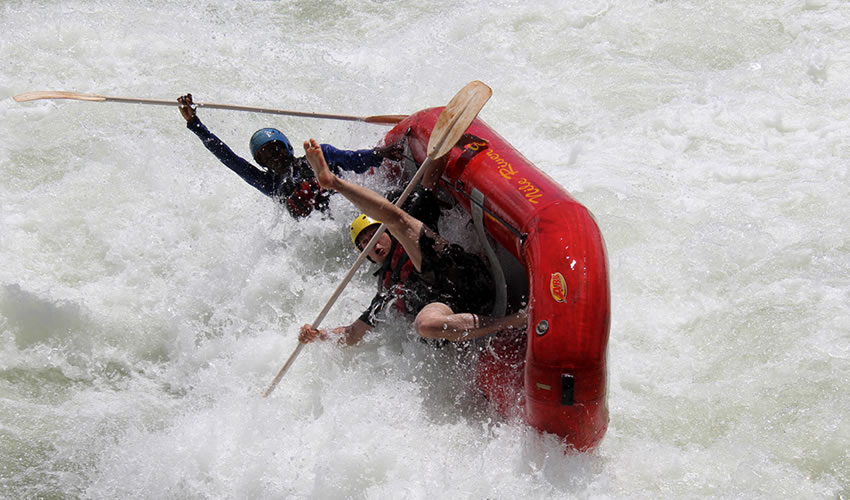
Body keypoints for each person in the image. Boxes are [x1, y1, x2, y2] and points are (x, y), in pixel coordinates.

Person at [298, 138, 528, 346]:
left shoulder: (410, 218)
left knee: (401, 221)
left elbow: (429, 180)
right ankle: (512, 322)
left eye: (374, 235)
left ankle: (334, 183)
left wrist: (447, 139)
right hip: (451, 305)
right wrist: (318, 336)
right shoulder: (386, 290)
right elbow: (353, 333)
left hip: (466, 277)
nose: (373, 244)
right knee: (425, 325)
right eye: (365, 244)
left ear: (384, 233)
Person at [177, 93, 403, 218]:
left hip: (352, 213)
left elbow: (353, 160)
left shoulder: (318, 155)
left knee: (396, 196)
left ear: (287, 147)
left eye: (276, 148)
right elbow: (230, 159)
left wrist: (378, 154)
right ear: (260, 163)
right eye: (265, 155)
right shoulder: (270, 184)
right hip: (322, 232)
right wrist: (195, 124)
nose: (274, 155)